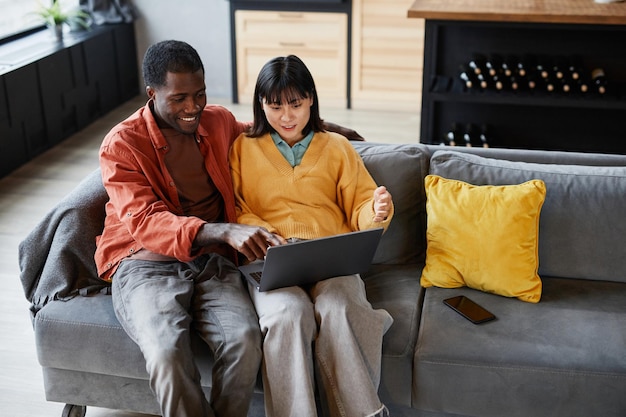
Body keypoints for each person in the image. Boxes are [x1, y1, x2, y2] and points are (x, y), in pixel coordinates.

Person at [95, 40, 365, 417]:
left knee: (243, 339)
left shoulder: (216, 121)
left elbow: (260, 127)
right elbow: (144, 221)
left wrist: (322, 128)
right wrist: (222, 231)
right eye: (180, 99)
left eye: (200, 94)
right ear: (152, 94)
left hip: (213, 263)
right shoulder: (121, 145)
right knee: (166, 350)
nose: (193, 108)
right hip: (146, 263)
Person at [229, 54, 395, 417]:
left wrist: (377, 210)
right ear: (261, 104)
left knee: (340, 308)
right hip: (271, 257)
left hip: (331, 257)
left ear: (311, 101)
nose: (287, 116)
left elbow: (361, 205)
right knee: (287, 315)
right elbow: (238, 208)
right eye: (275, 106)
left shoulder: (337, 147)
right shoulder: (243, 148)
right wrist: (270, 236)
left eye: (296, 105)